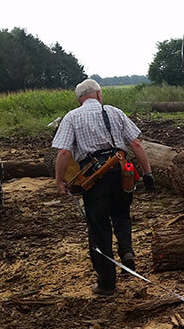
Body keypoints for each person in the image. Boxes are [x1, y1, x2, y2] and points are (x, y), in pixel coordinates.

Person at [52, 78, 155, 297]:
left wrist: (59, 181)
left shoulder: (72, 117)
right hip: (121, 172)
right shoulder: (114, 112)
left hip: (94, 178)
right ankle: (127, 251)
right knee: (122, 215)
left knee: (99, 229)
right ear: (99, 95)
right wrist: (147, 173)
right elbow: (136, 144)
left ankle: (107, 284)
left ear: (80, 99)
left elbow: (63, 153)